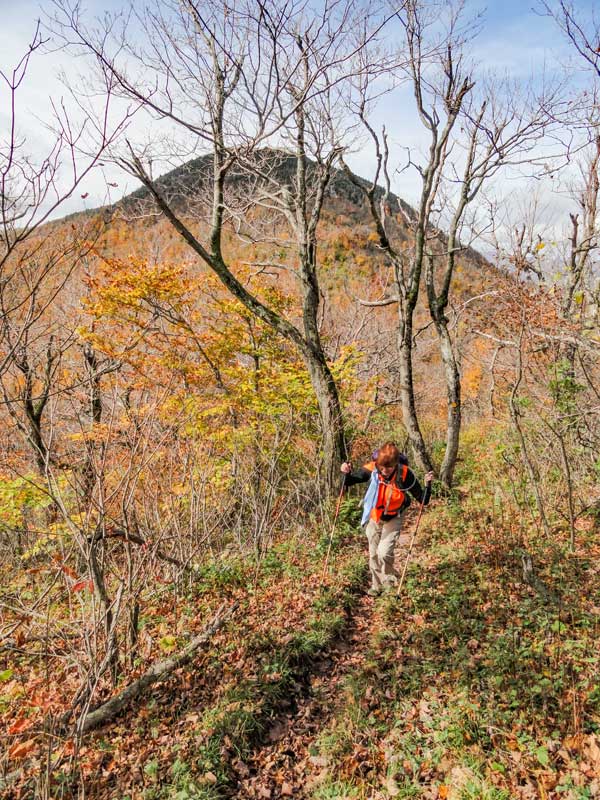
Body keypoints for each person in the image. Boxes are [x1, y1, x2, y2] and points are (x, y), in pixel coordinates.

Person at [341, 442, 434, 596]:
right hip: (374, 516)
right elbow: (350, 480)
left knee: (384, 552)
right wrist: (345, 471)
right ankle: (376, 586)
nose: (384, 471)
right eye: (381, 467)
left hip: (394, 516)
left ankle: (389, 583)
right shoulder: (373, 468)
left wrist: (428, 485)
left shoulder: (404, 473)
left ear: (396, 464)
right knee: (373, 554)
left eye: (388, 468)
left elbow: (423, 499)